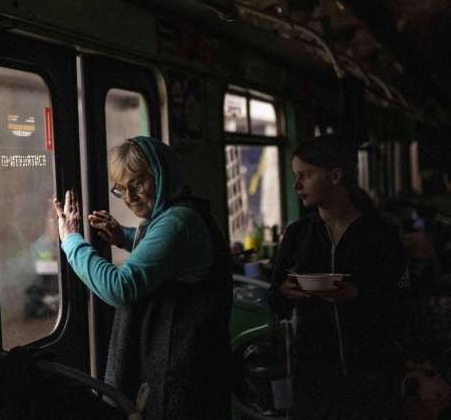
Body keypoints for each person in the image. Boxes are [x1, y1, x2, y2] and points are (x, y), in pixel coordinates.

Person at [53, 137, 232, 420]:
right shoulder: (174, 215)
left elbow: (119, 287)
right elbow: (169, 260)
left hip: (180, 374)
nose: (128, 197)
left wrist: (72, 240)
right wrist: (124, 236)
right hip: (186, 366)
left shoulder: (179, 222)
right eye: (120, 188)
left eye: (137, 183)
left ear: (162, 175)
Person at [266, 134, 411, 419]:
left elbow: (405, 291)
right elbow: (274, 300)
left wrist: (360, 294)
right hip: (314, 376)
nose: (297, 185)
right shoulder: (297, 235)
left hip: (372, 375)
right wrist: (284, 291)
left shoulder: (381, 234)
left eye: (305, 175)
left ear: (335, 176)